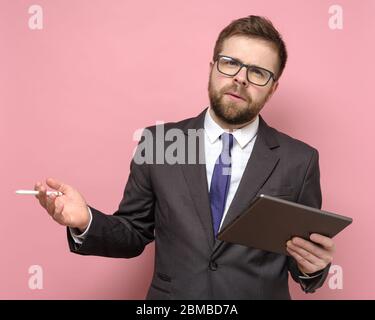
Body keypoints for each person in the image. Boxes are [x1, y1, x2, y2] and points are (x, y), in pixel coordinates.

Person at [34, 15, 335, 299]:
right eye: (230, 63)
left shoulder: (300, 160)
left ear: (272, 89)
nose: (241, 78)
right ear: (212, 68)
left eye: (258, 72)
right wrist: (86, 220)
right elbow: (134, 232)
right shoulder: (161, 143)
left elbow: (303, 261)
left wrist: (314, 268)